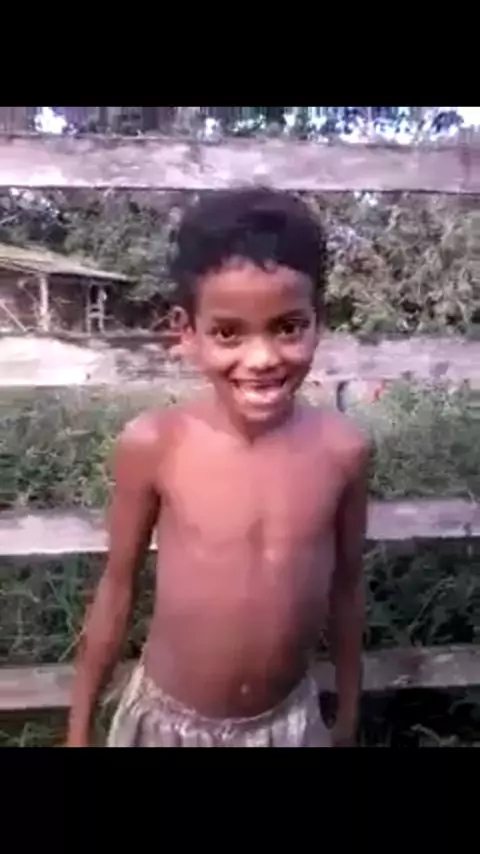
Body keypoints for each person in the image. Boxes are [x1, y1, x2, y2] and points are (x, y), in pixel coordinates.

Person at [66, 187, 368, 748]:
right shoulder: (155, 443)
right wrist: (79, 731)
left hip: (289, 726)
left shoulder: (343, 451)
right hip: (167, 726)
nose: (262, 358)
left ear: (318, 321)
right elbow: (116, 589)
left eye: (288, 327)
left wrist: (348, 715)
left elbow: (346, 591)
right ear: (187, 331)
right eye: (228, 332)